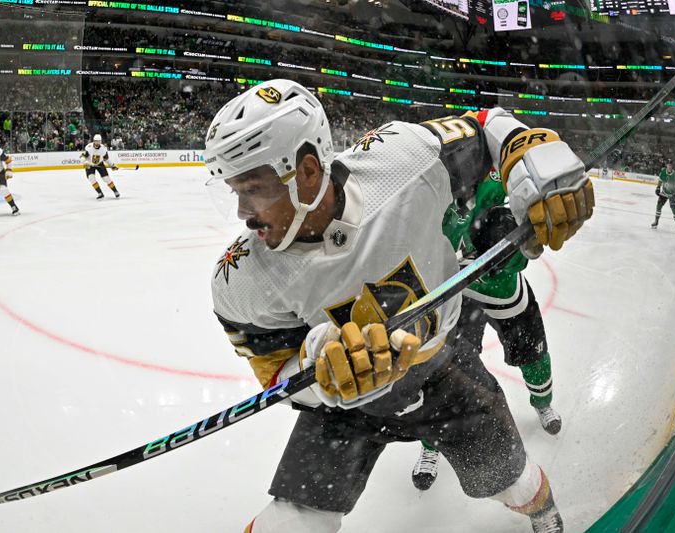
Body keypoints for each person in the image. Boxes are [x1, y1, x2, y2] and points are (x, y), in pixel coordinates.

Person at [203, 79, 593, 533]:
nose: (242, 213)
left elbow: (487, 125)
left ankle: (543, 514)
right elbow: (275, 373)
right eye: (235, 191)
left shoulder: (403, 159)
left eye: (253, 190)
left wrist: (533, 154)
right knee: (292, 523)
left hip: (442, 369)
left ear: (307, 172)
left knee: (513, 481)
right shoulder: (240, 279)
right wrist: (319, 373)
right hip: (346, 408)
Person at [413, 182, 562, 492]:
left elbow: (520, 247)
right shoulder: (428, 189)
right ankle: (431, 445)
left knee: (533, 353)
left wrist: (516, 245)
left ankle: (542, 401)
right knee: (442, 373)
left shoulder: (490, 179)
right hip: (454, 292)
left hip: (503, 290)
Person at [81, 134, 120, 199]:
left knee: (106, 178)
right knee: (91, 178)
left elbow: (106, 159)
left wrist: (112, 165)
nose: (97, 143)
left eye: (98, 141)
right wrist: (85, 162)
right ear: (94, 141)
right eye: (96, 141)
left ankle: (115, 191)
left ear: (100, 141)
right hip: (90, 165)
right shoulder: (89, 147)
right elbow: (82, 156)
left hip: (100, 164)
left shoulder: (103, 149)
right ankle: (100, 193)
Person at [651, 162, 675, 233]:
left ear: (672, 166)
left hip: (672, 194)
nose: (669, 166)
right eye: (668, 165)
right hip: (664, 193)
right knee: (658, 206)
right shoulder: (663, 172)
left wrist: (674, 194)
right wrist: (658, 188)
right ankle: (656, 221)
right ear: (666, 165)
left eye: (670, 165)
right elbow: (660, 180)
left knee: (674, 209)